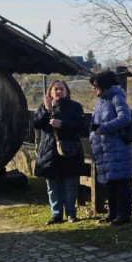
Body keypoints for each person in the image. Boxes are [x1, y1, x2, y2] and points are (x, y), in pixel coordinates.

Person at [33, 79, 86, 225]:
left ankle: (71, 213)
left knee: (70, 184)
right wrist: (45, 109)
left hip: (69, 151)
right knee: (53, 186)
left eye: (61, 89)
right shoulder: (44, 106)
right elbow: (36, 123)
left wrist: (63, 124)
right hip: (49, 151)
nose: (59, 91)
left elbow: (82, 127)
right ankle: (56, 214)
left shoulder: (75, 106)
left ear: (66, 91)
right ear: (50, 92)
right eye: (56, 89)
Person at [89, 71, 132, 226]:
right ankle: (112, 213)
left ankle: (124, 214)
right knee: (110, 183)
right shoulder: (99, 102)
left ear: (104, 85)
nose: (94, 89)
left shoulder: (117, 97)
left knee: (120, 182)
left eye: (95, 86)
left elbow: (125, 118)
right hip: (104, 149)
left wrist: (104, 128)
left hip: (117, 148)